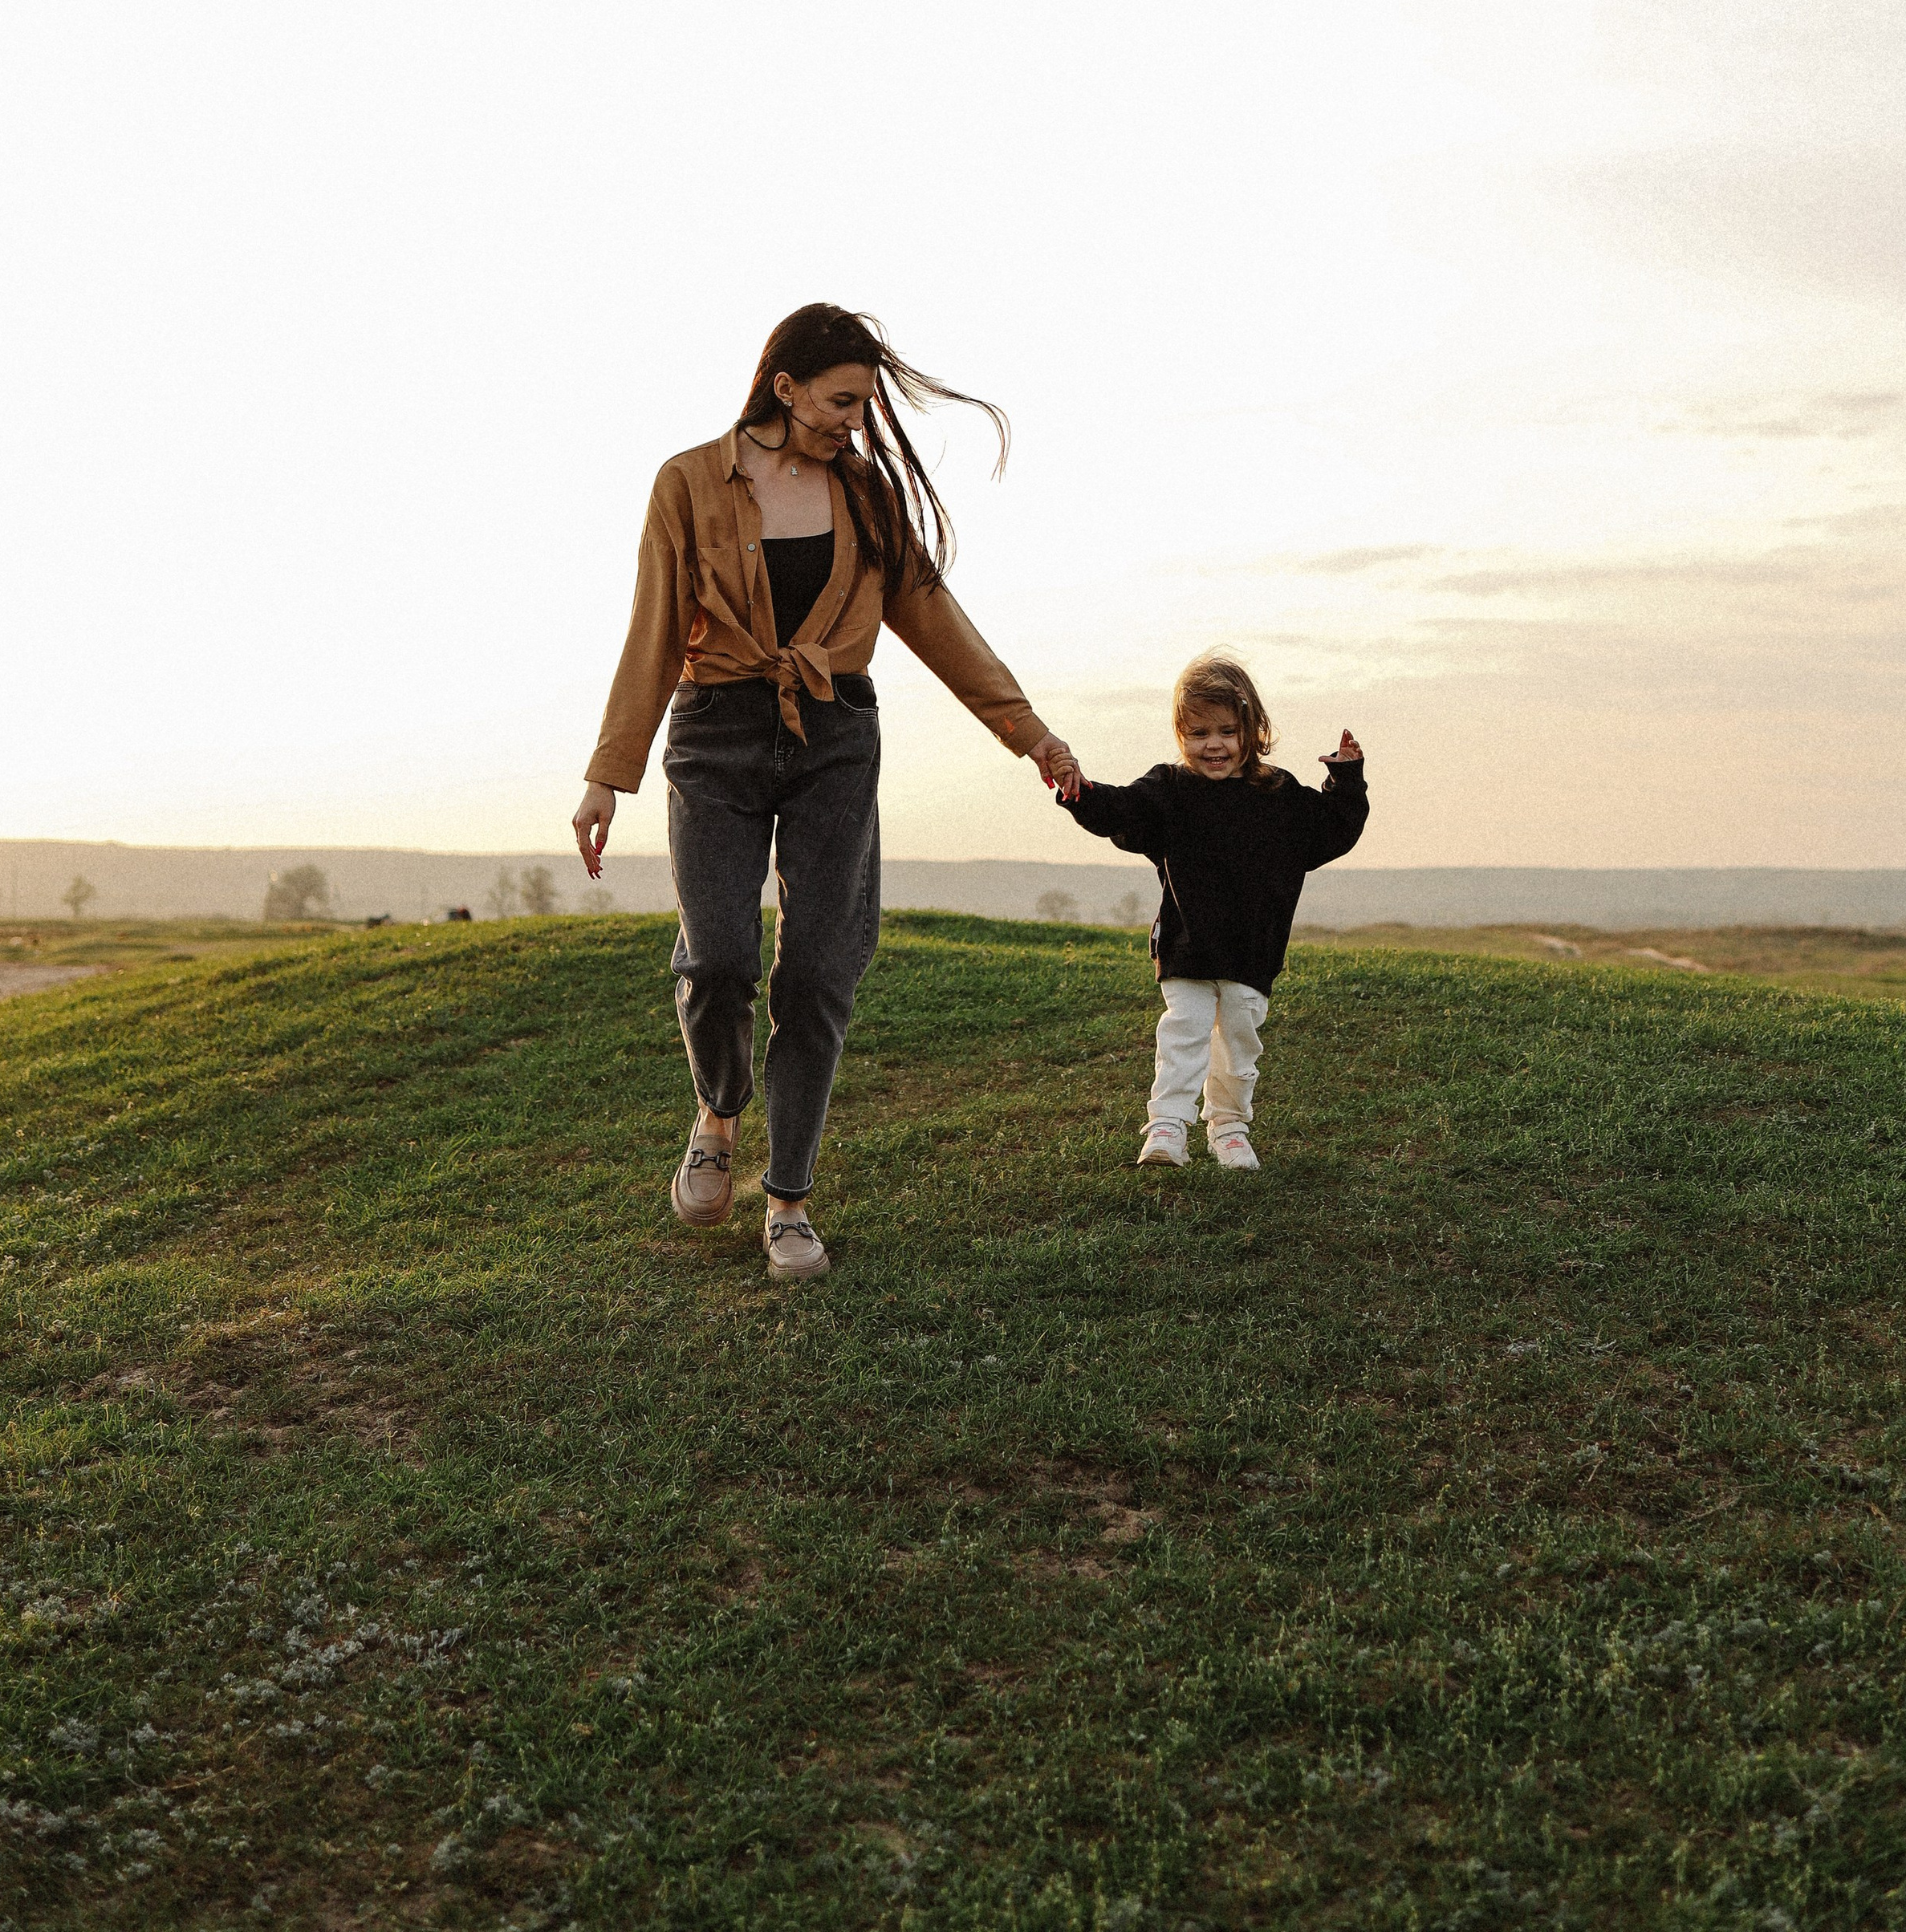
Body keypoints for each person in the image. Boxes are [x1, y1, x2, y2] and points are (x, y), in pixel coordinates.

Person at [573, 303, 1078, 1280]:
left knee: (815, 968)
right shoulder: (687, 483)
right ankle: (717, 1115)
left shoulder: (870, 498)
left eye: (865, 403)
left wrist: (1031, 735)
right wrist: (608, 773)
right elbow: (651, 626)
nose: (855, 418)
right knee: (717, 957)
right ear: (784, 386)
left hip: (835, 734)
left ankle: (790, 1203)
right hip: (714, 729)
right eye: (841, 400)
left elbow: (936, 620)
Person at [1052, 651, 1367, 1170]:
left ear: (1251, 728)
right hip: (1188, 945)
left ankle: (1229, 1127)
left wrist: (1347, 779)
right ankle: (1167, 1126)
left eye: (1226, 730)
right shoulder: (1170, 791)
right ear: (1181, 736)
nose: (1214, 745)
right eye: (1199, 734)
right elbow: (1122, 811)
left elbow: (1335, 827)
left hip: (1252, 953)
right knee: (1184, 1033)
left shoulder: (1280, 795)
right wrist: (1080, 793)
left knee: (1239, 1048)